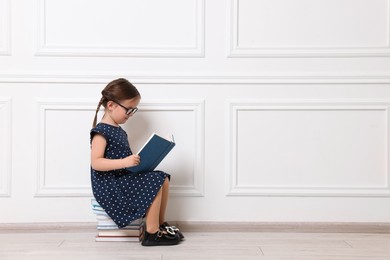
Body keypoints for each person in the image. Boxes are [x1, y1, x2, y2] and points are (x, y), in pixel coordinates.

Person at [90, 78, 183, 246]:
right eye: (129, 110)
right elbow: (96, 163)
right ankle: (152, 232)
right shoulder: (101, 132)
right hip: (109, 185)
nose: (130, 114)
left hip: (121, 178)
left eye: (133, 110)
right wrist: (125, 162)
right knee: (155, 180)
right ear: (111, 105)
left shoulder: (118, 130)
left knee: (163, 178)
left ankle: (160, 224)